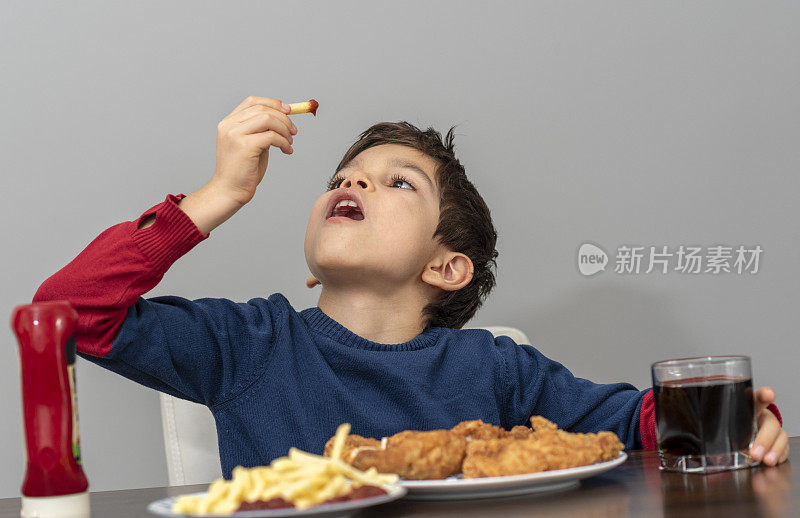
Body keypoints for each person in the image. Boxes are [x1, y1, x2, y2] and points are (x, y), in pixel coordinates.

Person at [33, 96, 789, 479]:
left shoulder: (496, 368)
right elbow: (65, 311)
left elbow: (635, 422)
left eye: (397, 182)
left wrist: (733, 419)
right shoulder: (249, 344)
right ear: (312, 261)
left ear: (446, 266)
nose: (354, 178)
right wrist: (216, 196)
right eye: (342, 177)